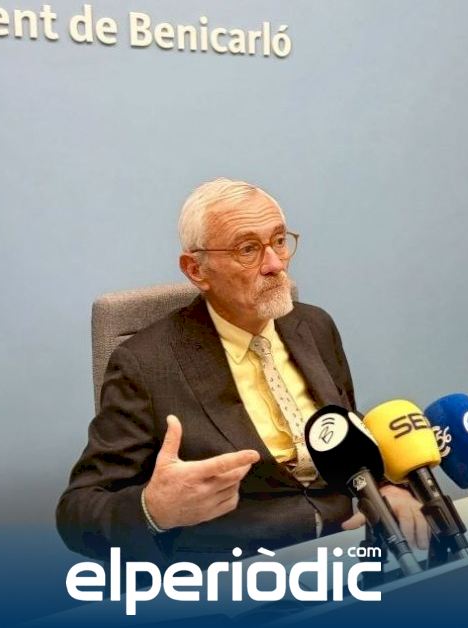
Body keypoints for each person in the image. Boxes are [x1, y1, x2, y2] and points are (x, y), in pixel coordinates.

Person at [56, 178, 428, 565]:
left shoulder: (315, 327)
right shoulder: (146, 364)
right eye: (248, 249)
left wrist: (387, 488)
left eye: (279, 241)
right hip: (238, 575)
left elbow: (348, 436)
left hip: (347, 555)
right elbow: (77, 513)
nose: (275, 265)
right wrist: (154, 509)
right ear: (196, 270)